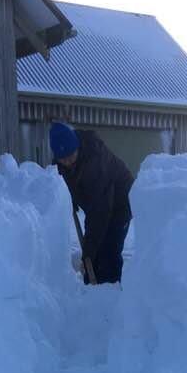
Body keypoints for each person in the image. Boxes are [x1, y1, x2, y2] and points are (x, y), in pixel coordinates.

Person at [49, 122, 134, 285]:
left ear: (77, 147)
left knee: (109, 250)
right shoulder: (61, 161)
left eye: (70, 156)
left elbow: (99, 215)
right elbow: (66, 180)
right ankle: (91, 287)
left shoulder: (95, 163)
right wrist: (70, 199)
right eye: (62, 158)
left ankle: (110, 292)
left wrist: (87, 254)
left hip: (120, 203)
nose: (67, 162)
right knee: (95, 251)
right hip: (98, 203)